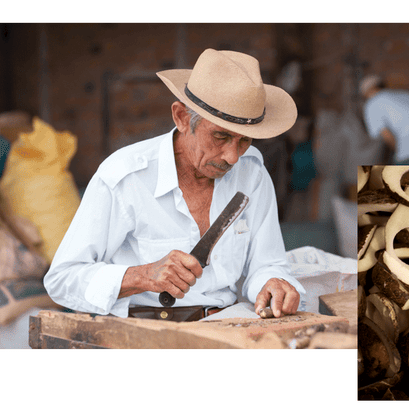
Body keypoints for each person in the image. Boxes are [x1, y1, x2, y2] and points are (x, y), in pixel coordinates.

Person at [44, 49, 304, 321]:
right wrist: (142, 275)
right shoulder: (124, 177)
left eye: (245, 140)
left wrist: (273, 282)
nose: (233, 156)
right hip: (143, 337)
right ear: (181, 117)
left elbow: (267, 263)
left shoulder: (252, 173)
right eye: (220, 136)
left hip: (229, 328)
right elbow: (62, 280)